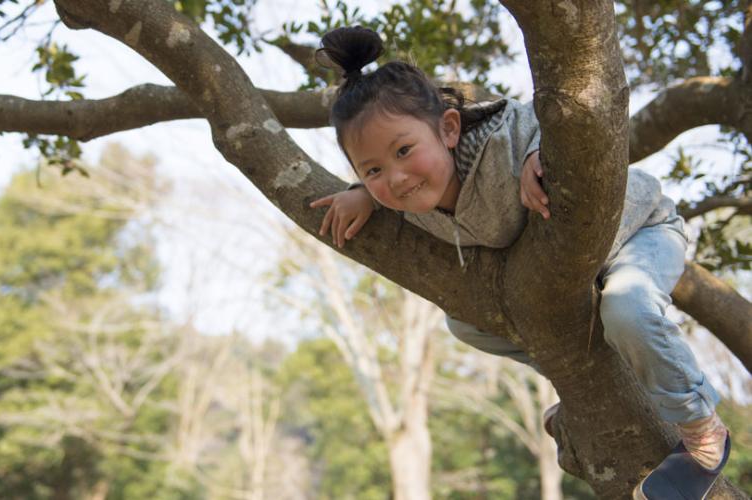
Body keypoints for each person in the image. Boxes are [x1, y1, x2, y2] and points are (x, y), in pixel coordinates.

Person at [309, 26, 731, 499]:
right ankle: (578, 383)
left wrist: (539, 153)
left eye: (404, 151)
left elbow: (547, 120)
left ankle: (702, 427)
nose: (397, 177)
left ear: (449, 129)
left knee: (628, 309)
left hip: (639, 231)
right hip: (577, 278)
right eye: (373, 169)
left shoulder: (500, 138)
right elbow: (387, 182)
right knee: (464, 323)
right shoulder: (403, 198)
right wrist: (360, 195)